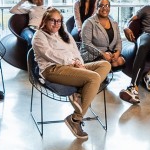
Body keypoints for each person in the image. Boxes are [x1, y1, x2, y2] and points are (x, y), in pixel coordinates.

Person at [31, 7, 111, 139]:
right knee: (94, 78)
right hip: (52, 69)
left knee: (105, 65)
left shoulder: (64, 34)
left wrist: (79, 63)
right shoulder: (39, 36)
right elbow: (50, 54)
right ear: (45, 21)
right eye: (52, 20)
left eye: (59, 21)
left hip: (73, 66)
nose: (56, 24)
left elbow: (75, 51)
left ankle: (78, 95)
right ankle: (75, 119)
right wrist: (72, 63)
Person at [80, 0, 125, 72]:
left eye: (107, 6)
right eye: (101, 6)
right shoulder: (89, 23)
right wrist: (103, 54)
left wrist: (117, 52)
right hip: (92, 54)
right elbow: (86, 44)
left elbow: (118, 40)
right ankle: (101, 79)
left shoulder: (114, 23)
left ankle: (106, 78)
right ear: (97, 8)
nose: (104, 8)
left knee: (120, 61)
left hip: (110, 53)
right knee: (106, 64)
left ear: (109, 8)